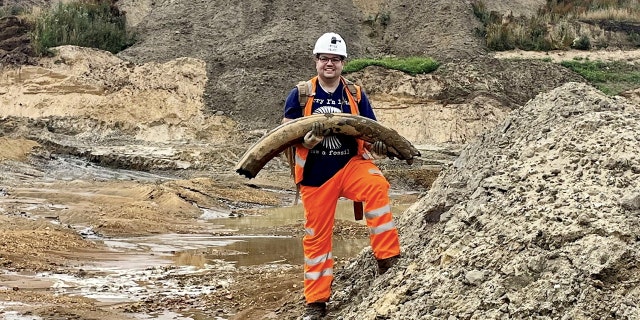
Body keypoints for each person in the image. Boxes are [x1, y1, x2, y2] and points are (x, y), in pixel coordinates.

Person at [282, 32, 401, 320]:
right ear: (316, 61)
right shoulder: (300, 94)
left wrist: (381, 148)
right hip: (315, 176)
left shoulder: (356, 95)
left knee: (377, 184)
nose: (330, 64)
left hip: (350, 166)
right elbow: (284, 137)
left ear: (343, 63)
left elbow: (371, 132)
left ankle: (387, 259)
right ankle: (316, 303)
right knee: (317, 238)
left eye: (336, 59)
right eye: (325, 58)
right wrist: (307, 142)